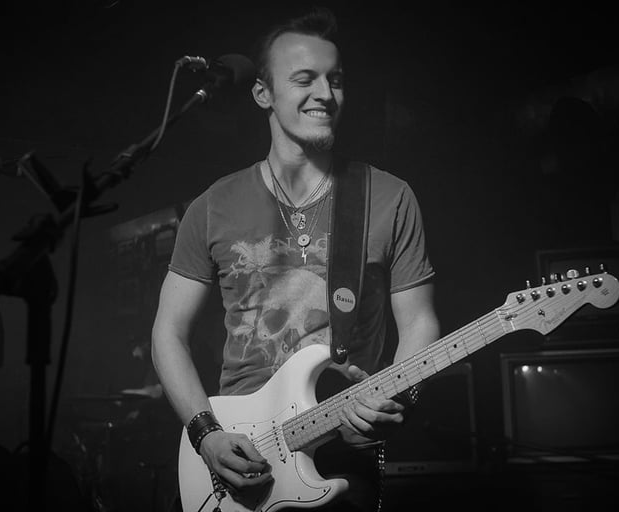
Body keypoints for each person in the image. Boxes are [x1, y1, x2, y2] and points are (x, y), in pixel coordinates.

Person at [151, 6, 439, 511]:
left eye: (336, 80)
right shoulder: (213, 205)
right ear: (263, 93)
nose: (325, 94)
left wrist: (401, 396)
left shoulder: (390, 197)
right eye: (305, 79)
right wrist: (207, 435)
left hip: (343, 451)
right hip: (240, 452)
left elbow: (419, 323)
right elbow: (167, 333)